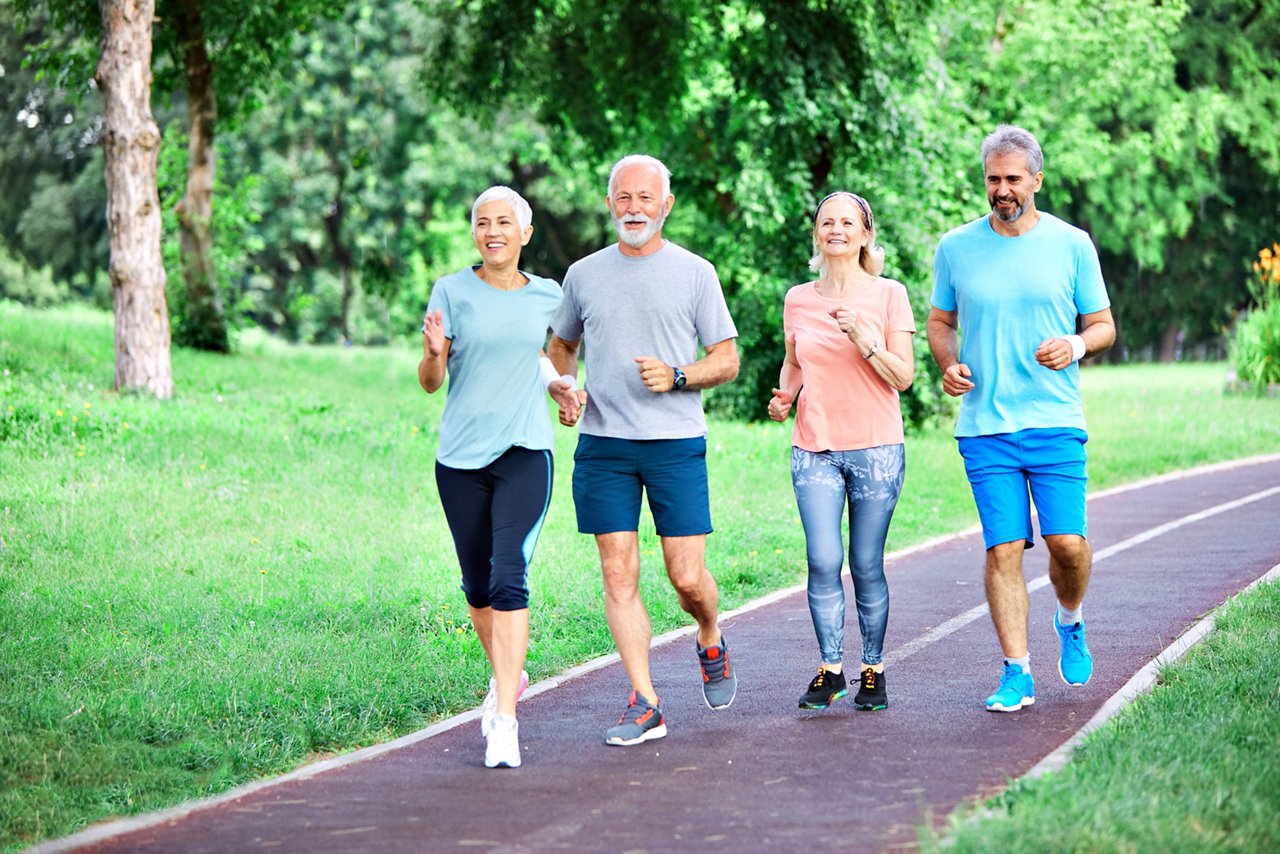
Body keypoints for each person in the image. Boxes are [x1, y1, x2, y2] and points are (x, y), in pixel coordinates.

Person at [547, 154, 740, 746]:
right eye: (623, 197)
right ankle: (645, 700)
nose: (634, 208)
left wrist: (679, 376)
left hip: (675, 443)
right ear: (610, 203)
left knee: (686, 578)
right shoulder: (583, 275)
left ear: (666, 205)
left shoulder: (695, 273)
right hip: (604, 444)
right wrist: (565, 389)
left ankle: (709, 631)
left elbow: (727, 360)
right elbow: (560, 347)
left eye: (645, 198)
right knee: (618, 571)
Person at [926, 125, 1116, 712]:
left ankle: (1071, 618)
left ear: (1036, 178)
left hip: (1055, 418)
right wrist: (950, 363)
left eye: (1013, 179)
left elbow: (1103, 326)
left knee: (1068, 544)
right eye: (993, 179)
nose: (1002, 189)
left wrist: (1076, 346)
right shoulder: (956, 247)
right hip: (985, 426)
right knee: (1003, 550)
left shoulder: (1072, 243)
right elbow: (940, 323)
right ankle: (1017, 671)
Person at [418, 186, 580, 767]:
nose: (494, 231)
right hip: (460, 458)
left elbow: (554, 355)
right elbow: (432, 381)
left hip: (524, 452)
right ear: (474, 234)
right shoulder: (451, 291)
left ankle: (505, 720)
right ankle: (508, 672)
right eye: (483, 222)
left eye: (505, 222)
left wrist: (563, 386)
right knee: (478, 588)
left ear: (524, 233)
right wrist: (436, 352)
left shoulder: (548, 296)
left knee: (509, 575)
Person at [767, 192, 916, 713]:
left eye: (846, 222)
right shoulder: (798, 298)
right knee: (822, 559)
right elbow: (794, 363)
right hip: (815, 446)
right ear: (817, 234)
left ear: (864, 234)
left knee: (865, 562)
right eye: (826, 222)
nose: (836, 229)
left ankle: (872, 670)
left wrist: (865, 338)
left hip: (876, 446)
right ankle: (831, 669)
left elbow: (905, 377)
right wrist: (786, 395)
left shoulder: (889, 295)